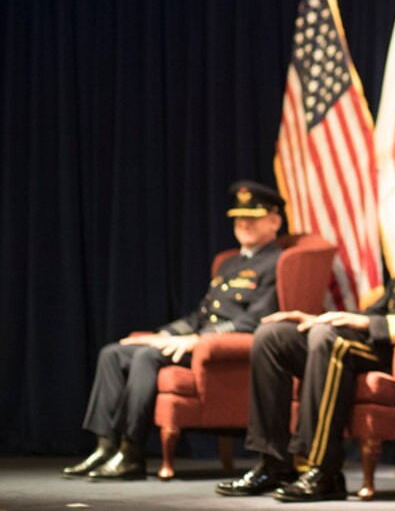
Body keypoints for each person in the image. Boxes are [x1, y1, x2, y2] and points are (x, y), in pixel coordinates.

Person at [216, 179, 395, 502]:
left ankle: (323, 469)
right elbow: (378, 307)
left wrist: (368, 324)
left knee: (331, 341)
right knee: (272, 336)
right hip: (379, 341)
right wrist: (321, 318)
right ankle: (273, 464)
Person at [62, 181, 286, 481]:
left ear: (274, 220)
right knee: (113, 353)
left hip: (219, 351)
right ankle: (105, 446)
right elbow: (200, 315)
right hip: (195, 341)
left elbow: (257, 319)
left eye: (252, 217)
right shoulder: (229, 262)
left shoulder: (279, 262)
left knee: (144, 358)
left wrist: (200, 339)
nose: (243, 223)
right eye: (238, 216)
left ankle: (131, 452)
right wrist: (165, 334)